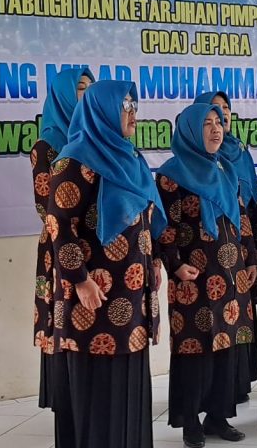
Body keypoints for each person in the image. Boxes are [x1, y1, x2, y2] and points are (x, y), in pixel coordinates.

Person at [45, 80, 165, 448]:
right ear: (102, 111)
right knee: (97, 391)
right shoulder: (74, 162)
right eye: (125, 105)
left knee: (130, 386)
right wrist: (79, 279)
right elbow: (58, 225)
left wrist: (154, 259)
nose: (133, 113)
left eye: (134, 105)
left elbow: (145, 219)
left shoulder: (132, 159)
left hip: (132, 297)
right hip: (92, 300)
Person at [157, 103, 257, 448]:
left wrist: (249, 260)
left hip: (230, 276)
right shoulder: (171, 175)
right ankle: (190, 422)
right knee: (194, 351)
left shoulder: (225, 168)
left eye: (219, 122)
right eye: (207, 124)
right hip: (193, 279)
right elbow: (164, 226)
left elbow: (240, 218)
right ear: (189, 131)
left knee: (226, 349)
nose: (216, 129)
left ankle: (218, 416)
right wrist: (174, 265)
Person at [194, 91, 257, 403]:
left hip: (239, 246)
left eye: (225, 109)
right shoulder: (190, 165)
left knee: (242, 312)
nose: (221, 117)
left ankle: (240, 380)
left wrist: (256, 247)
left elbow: (252, 202)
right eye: (212, 113)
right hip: (206, 259)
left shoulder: (237, 153)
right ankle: (217, 391)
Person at [31, 68, 93, 412]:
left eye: (90, 89)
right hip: (60, 243)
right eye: (80, 88)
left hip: (96, 249)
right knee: (62, 316)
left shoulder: (95, 139)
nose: (86, 95)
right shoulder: (47, 145)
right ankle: (63, 398)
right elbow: (46, 204)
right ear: (64, 95)